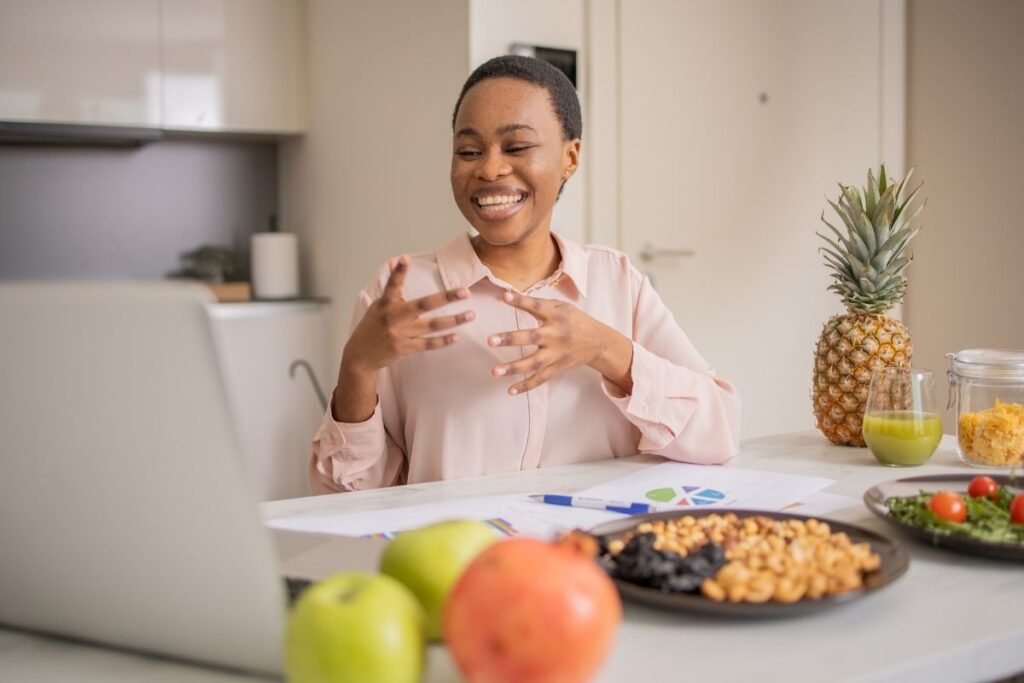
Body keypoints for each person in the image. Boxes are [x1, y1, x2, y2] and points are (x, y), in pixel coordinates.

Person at [309, 55, 740, 494]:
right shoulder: (403, 292)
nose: (490, 169)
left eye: (516, 147)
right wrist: (357, 366)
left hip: (591, 552)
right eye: (469, 151)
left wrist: (607, 349)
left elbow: (718, 433)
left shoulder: (617, 281)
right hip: (463, 556)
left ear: (570, 157)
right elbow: (348, 494)